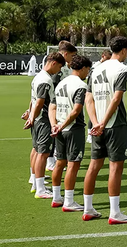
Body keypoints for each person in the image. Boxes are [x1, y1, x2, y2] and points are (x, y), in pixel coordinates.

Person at [83, 36, 127, 224]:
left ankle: (88, 208)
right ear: (124, 50)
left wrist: (96, 122)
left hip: (96, 125)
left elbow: (88, 99)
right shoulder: (121, 69)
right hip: (114, 124)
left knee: (94, 165)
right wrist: (104, 122)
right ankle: (115, 212)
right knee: (115, 167)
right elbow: (116, 99)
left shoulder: (96, 68)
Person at [49, 54, 92, 211]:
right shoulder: (81, 86)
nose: (88, 73)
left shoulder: (60, 83)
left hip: (59, 128)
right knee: (73, 165)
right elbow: (75, 111)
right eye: (88, 69)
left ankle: (56, 198)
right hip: (73, 129)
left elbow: (52, 106)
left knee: (59, 163)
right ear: (82, 68)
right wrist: (62, 125)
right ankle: (69, 201)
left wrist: (55, 125)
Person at [24, 52, 66, 198]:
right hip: (44, 120)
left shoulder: (38, 77)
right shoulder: (45, 80)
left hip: (37, 119)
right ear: (54, 63)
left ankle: (36, 183)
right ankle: (40, 189)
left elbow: (33, 100)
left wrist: (30, 115)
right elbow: (40, 101)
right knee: (43, 152)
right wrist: (32, 116)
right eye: (59, 67)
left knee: (36, 150)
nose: (59, 71)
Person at [47, 41, 78, 172]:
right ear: (65, 54)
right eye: (72, 55)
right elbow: (54, 84)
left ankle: (53, 159)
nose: (73, 59)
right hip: (53, 105)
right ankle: (50, 161)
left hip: (57, 104)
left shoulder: (62, 65)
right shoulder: (60, 67)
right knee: (52, 132)